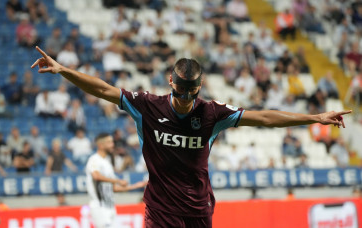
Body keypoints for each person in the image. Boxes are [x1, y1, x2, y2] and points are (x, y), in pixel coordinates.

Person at [32, 46, 351, 227]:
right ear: (170, 80)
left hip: (198, 210)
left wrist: (314, 117)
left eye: (191, 92)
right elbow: (102, 89)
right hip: (159, 210)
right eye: (180, 90)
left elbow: (264, 117)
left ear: (198, 88)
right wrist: (64, 70)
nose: (185, 98)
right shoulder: (146, 106)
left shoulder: (212, 114)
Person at [86, 133, 147, 228]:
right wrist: (117, 181)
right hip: (99, 206)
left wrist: (136, 186)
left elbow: (113, 188)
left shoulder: (107, 163)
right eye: (109, 142)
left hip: (110, 207)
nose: (112, 144)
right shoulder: (94, 160)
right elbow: (96, 176)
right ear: (100, 145)